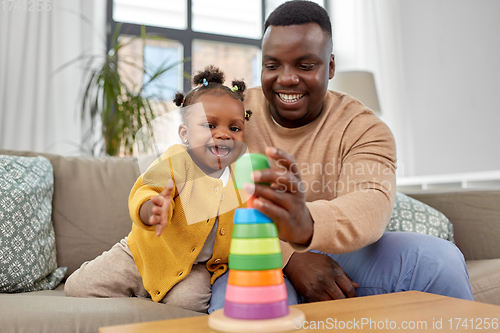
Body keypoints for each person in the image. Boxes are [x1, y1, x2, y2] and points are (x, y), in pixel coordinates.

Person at [208, 0, 473, 312]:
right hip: (247, 254)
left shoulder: (364, 127)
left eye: (305, 66)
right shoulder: (230, 113)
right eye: (272, 65)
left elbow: (370, 205)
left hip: (342, 254)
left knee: (440, 261)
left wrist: (305, 225)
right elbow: (201, 202)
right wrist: (290, 255)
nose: (287, 78)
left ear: (330, 66)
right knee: (244, 310)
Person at [65, 66, 253, 313]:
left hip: (193, 267)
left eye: (234, 128)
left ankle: (151, 294)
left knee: (189, 305)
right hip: (142, 253)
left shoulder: (243, 175)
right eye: (209, 125)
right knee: (77, 286)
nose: (223, 135)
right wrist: (151, 208)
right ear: (185, 134)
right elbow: (147, 188)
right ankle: (141, 289)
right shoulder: (177, 160)